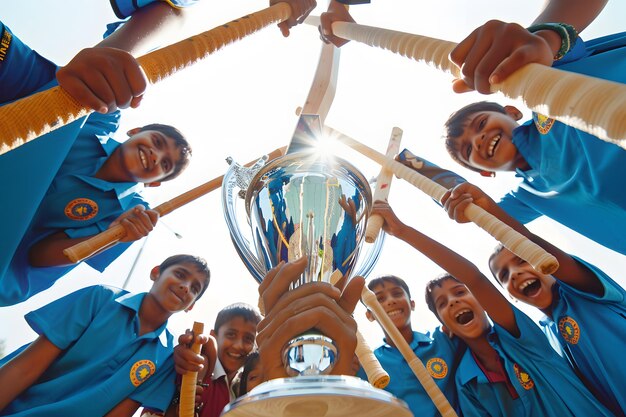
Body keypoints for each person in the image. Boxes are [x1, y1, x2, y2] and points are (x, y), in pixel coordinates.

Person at [0, 6, 195, 306]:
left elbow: (38, 256)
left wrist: (113, 235)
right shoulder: (100, 118)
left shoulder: (129, 213)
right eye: (156, 141)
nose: (155, 155)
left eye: (165, 164)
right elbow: (121, 60)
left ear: (156, 183)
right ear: (135, 131)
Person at [372, 200, 615, 416]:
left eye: (459, 292)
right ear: (446, 327)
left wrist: (403, 232)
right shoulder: (466, 385)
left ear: (483, 302)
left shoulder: (522, 340)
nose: (454, 301)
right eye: (443, 304)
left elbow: (475, 278)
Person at [442, 182, 626, 416]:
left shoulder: (583, 293)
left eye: (522, 259)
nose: (515, 273)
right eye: (504, 275)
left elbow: (529, 240)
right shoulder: (546, 336)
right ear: (509, 294)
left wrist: (488, 208)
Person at [0, 254, 211, 416]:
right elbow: (25, 368)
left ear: (191, 306)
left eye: (194, 288)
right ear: (156, 272)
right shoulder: (100, 299)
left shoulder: (166, 357)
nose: (185, 287)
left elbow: (120, 414)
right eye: (180, 275)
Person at [356, 275, 460, 416]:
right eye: (380, 299)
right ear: (369, 316)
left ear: (412, 304)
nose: (390, 301)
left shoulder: (442, 340)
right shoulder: (371, 366)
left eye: (397, 294)